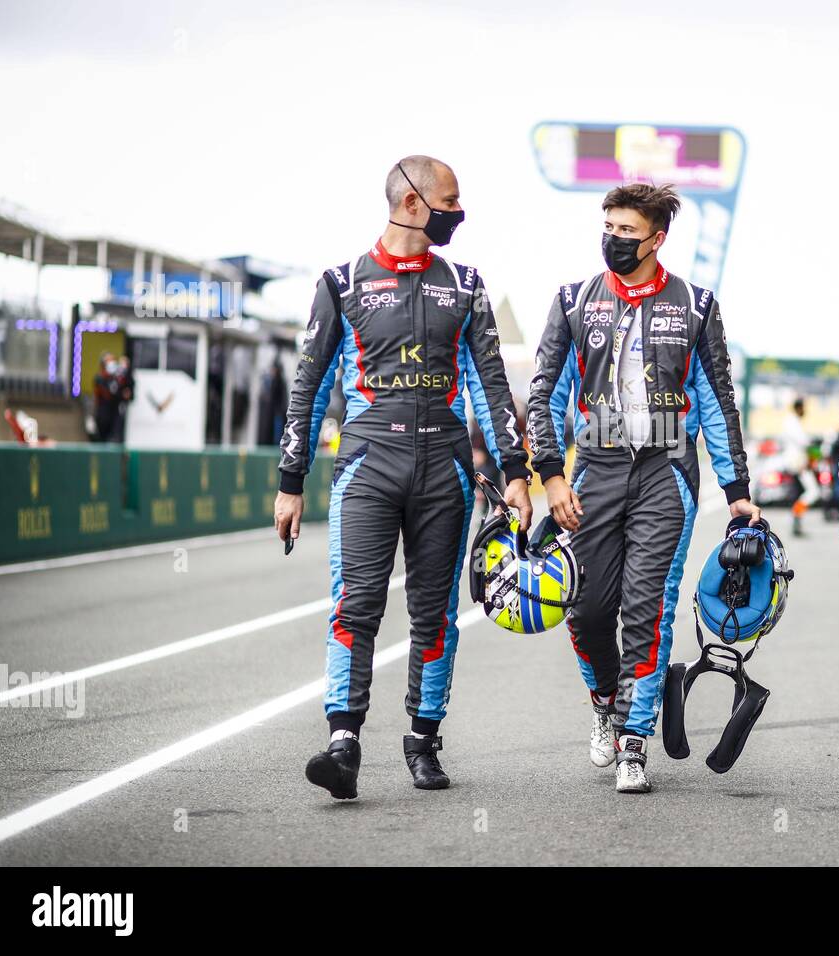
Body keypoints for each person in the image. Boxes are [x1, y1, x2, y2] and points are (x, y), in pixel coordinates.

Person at [274, 155, 532, 798]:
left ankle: (423, 738)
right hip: (367, 463)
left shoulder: (467, 285)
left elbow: (490, 387)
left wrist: (515, 474)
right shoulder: (341, 283)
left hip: (444, 464)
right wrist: (290, 479)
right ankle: (343, 743)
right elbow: (308, 385)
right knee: (355, 604)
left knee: (434, 613)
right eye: (450, 200)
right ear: (412, 202)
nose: (458, 212)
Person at [528, 182, 761, 794]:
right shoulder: (574, 300)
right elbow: (545, 395)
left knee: (647, 606)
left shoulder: (696, 303)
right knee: (584, 606)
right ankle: (606, 702)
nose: (614, 239)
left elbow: (716, 399)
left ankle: (634, 739)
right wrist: (551, 475)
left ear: (657, 239)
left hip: (666, 470)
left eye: (627, 231)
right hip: (594, 470)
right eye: (608, 227)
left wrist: (736, 488)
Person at [782, 397, 818, 536]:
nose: (805, 411)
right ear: (799, 408)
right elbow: (804, 443)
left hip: (797, 462)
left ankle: (796, 520)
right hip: (797, 463)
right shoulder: (792, 422)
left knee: (800, 493)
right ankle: (796, 514)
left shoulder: (792, 421)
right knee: (813, 492)